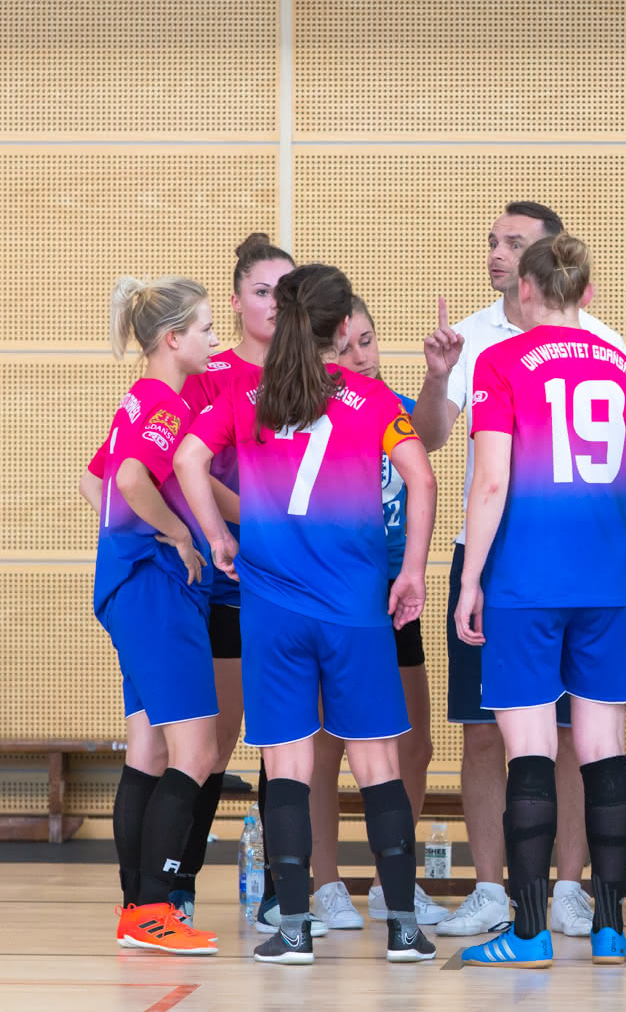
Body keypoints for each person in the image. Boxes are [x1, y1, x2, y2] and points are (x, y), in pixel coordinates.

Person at [175, 264, 438, 966]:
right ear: (343, 328)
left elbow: (188, 456)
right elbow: (423, 475)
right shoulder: (373, 396)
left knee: (288, 762)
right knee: (377, 759)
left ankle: (293, 928)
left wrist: (219, 535)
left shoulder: (244, 392)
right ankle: (405, 928)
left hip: (272, 609)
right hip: (355, 609)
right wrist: (410, 569)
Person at [413, 201, 624, 938]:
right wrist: (438, 378)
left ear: (545, 265)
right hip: (532, 562)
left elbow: (496, 478)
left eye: (514, 245)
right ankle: (494, 888)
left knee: (563, 733)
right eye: (492, 241)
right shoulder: (471, 337)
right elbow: (430, 438)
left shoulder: (600, 342)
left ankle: (565, 889)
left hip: (523, 567)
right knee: (487, 730)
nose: (497, 254)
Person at [454, 234, 626, 969]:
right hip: (607, 583)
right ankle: (607, 926)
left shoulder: (499, 362)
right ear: (588, 294)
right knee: (602, 749)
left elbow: (491, 482)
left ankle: (530, 932)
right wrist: (622, 581)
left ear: (528, 291)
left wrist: (471, 579)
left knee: (529, 747)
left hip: (527, 581)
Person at [172, 234, 302, 933]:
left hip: (294, 582)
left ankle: (286, 887)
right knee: (214, 741)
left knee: (285, 739)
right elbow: (190, 472)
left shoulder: (309, 374)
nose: (275, 305)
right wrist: (254, 517)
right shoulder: (209, 374)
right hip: (225, 577)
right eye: (261, 292)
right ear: (236, 300)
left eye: (287, 292)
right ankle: (181, 883)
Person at [87, 277, 221, 955]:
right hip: (154, 590)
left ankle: (136, 905)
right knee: (196, 751)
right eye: (204, 328)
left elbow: (95, 480)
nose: (214, 339)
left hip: (126, 588)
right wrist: (171, 533)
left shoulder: (135, 400)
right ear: (173, 339)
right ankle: (152, 906)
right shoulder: (165, 403)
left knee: (149, 750)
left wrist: (125, 540)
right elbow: (133, 480)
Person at [303, 297, 444, 929]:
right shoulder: (316, 410)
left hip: (394, 590)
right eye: (344, 345)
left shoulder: (393, 408)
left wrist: (438, 376)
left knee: (414, 742)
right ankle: (324, 881)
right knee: (332, 745)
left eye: (368, 339)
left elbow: (433, 440)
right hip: (339, 592)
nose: (360, 355)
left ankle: (395, 883)